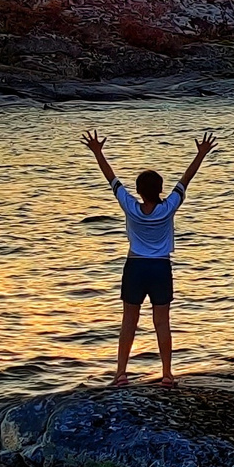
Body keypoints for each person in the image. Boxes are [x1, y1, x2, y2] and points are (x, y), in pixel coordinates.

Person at [81, 128, 216, 386]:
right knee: (162, 323)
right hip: (160, 268)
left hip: (135, 267)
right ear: (160, 189)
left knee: (129, 322)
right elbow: (186, 179)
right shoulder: (169, 207)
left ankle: (121, 373)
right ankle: (167, 374)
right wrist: (201, 154)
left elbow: (111, 178)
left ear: (138, 191)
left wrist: (98, 152)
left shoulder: (130, 206)